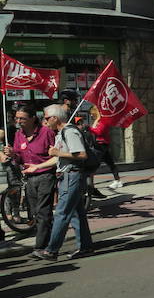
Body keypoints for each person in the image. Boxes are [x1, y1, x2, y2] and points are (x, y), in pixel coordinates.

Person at [28, 105, 94, 261]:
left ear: (54, 118)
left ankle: (51, 250)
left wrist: (58, 152)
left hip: (72, 175)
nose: (44, 121)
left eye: (45, 118)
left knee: (62, 213)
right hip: (69, 175)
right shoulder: (61, 133)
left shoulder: (69, 131)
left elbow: (81, 154)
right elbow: (58, 158)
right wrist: (37, 166)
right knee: (77, 214)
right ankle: (86, 247)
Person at [1, 103, 56, 254]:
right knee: (35, 214)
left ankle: (41, 247)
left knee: (43, 212)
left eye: (22, 119)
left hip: (45, 175)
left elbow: (55, 156)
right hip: (29, 177)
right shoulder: (19, 135)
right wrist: (13, 154)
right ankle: (51, 241)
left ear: (33, 118)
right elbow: (19, 158)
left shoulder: (46, 132)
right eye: (17, 119)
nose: (18, 122)